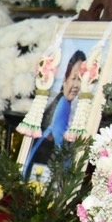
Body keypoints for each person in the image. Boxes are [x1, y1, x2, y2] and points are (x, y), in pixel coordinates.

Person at [22, 51, 86, 180]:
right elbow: (61, 148)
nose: (76, 85)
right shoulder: (62, 107)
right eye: (73, 78)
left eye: (80, 79)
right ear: (65, 81)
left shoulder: (68, 106)